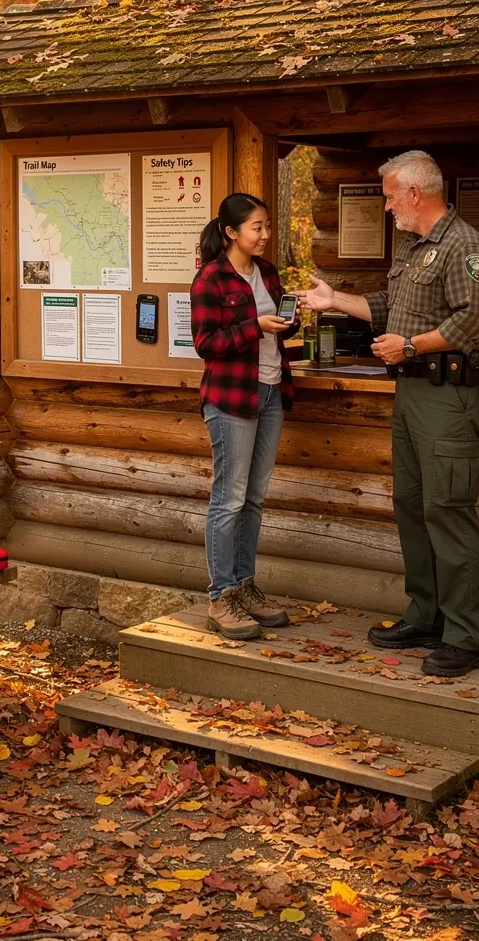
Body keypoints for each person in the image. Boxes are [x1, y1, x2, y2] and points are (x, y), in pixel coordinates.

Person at [301, 151, 479, 678]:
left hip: (449, 398)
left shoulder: (465, 247)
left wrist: (410, 346)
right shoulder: (415, 247)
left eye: (390, 195)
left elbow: (476, 324)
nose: (386, 206)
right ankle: (425, 615)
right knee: (412, 505)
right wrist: (334, 299)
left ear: (415, 193)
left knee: (448, 510)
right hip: (412, 394)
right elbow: (390, 307)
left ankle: (463, 635)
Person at [191, 192, 298, 640]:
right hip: (232, 399)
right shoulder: (210, 279)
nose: (266, 235)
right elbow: (206, 344)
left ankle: (245, 586)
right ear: (232, 231)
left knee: (254, 499)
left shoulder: (268, 273)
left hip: (271, 392)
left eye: (267, 225)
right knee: (229, 499)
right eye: (257, 227)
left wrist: (289, 320)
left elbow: (278, 330)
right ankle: (221, 596)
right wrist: (254, 326)